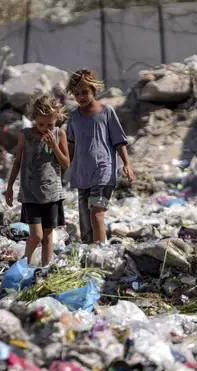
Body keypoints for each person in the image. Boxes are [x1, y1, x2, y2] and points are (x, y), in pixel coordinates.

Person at [65, 69, 135, 244]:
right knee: (86, 221)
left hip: (103, 171)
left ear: (94, 90)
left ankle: (101, 252)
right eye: (77, 94)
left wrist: (127, 163)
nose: (81, 97)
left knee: (97, 212)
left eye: (85, 92)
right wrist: (62, 167)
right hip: (82, 174)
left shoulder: (106, 112)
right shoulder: (73, 117)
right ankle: (90, 255)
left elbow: (119, 141)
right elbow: (71, 146)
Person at [5, 93, 70, 266]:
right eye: (41, 124)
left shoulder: (59, 135)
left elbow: (66, 164)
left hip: (52, 193)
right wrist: (10, 186)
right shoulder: (25, 135)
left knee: (48, 236)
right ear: (34, 118)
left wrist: (54, 146)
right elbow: (18, 161)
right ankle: (24, 264)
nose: (45, 128)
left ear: (57, 119)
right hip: (30, 192)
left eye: (50, 124)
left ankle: (44, 269)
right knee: (37, 235)